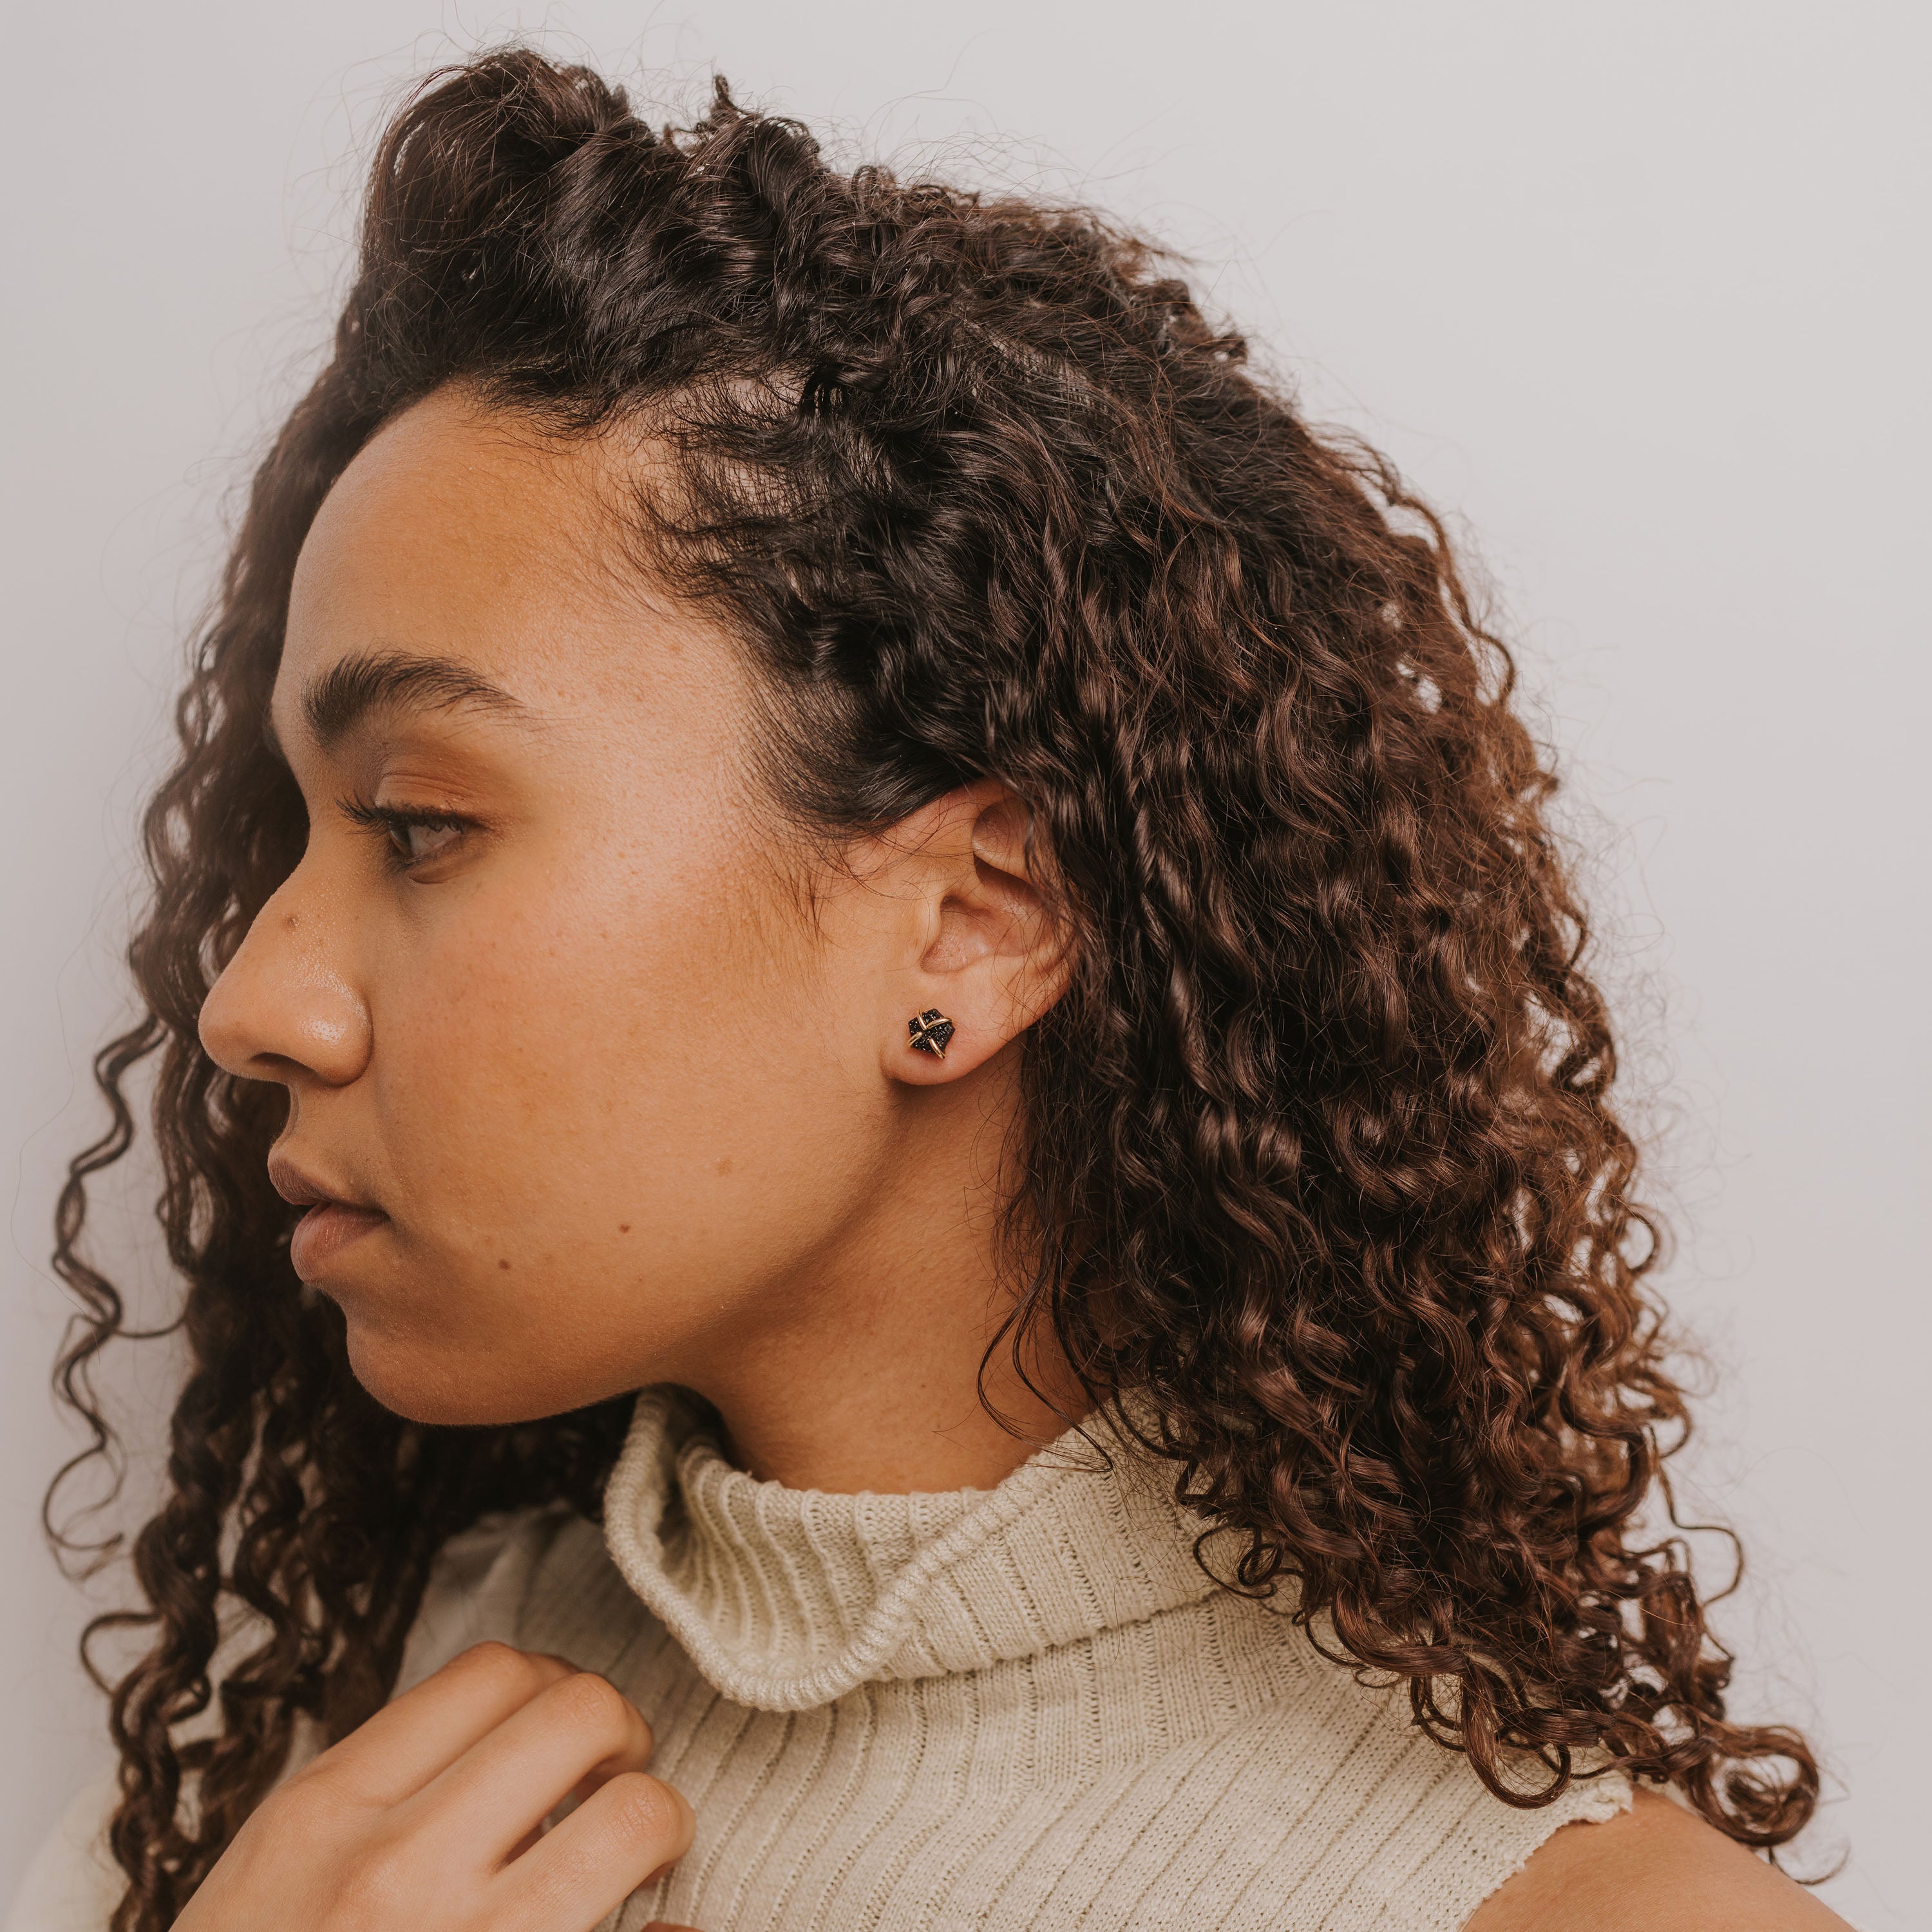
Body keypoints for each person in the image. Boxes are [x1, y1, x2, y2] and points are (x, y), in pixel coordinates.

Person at [10, 48, 1846, 1932]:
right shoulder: (330, 1728)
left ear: (972, 924)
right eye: (297, 835)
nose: (255, 1002)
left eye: (416, 823)